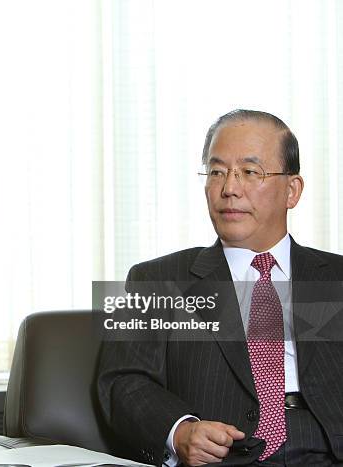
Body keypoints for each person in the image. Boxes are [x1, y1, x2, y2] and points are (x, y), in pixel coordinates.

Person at [97, 109, 343, 466]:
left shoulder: (333, 278)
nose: (229, 188)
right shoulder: (158, 280)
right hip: (226, 457)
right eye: (217, 172)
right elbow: (124, 382)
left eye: (249, 172)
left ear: (292, 190)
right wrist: (180, 431)